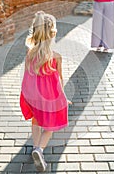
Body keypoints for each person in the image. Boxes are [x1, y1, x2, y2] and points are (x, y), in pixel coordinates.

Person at [20, 11, 69, 172]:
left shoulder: (29, 54)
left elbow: (28, 75)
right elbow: (59, 81)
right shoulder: (56, 57)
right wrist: (63, 98)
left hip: (32, 95)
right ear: (53, 33)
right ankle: (39, 149)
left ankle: (35, 145)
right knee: (49, 125)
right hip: (48, 98)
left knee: (35, 120)